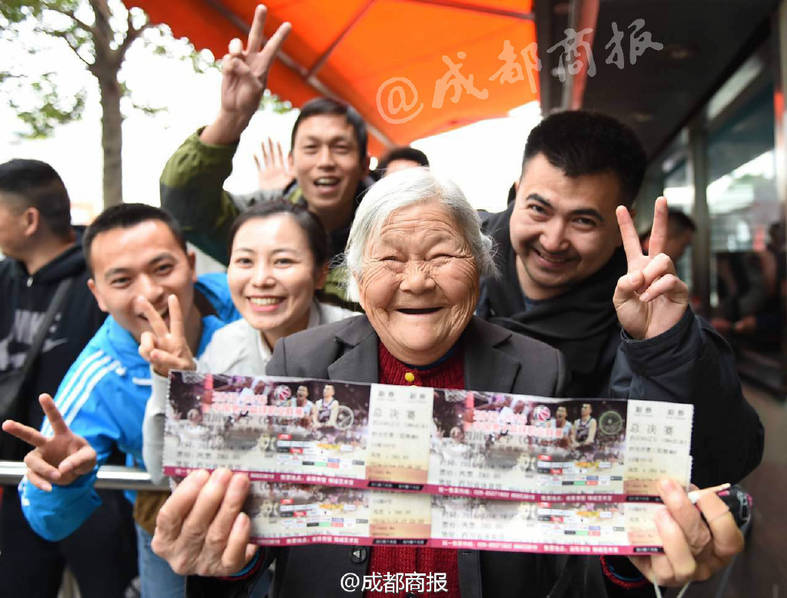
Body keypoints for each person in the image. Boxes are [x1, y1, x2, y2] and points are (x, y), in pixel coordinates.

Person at [149, 168, 744, 598]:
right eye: (389, 260)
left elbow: (570, 556)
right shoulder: (300, 361)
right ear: (354, 276)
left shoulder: (539, 369)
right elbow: (258, 541)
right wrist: (221, 556)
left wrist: (633, 552)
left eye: (441, 255)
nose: (416, 281)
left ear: (480, 267)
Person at [477, 110, 763, 488]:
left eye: (583, 221)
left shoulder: (649, 310)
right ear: (515, 194)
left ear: (619, 227)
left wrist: (664, 349)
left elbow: (729, 457)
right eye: (538, 209)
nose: (553, 240)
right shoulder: (453, 260)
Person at [1, 203, 240, 598]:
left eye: (162, 268)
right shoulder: (99, 376)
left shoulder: (245, 304)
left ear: (191, 264)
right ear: (97, 294)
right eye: (122, 280)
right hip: (170, 524)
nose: (149, 293)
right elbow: (48, 520)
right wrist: (62, 483)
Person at [159, 6, 370, 301]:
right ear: (292, 162)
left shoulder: (388, 225)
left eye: (340, 148)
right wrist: (231, 118)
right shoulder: (261, 215)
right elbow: (185, 206)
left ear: (364, 165)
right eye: (311, 148)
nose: (325, 162)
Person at [139, 200, 356, 485]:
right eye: (245, 261)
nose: (261, 279)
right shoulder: (225, 348)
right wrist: (177, 383)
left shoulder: (359, 341)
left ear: (321, 274)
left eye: (283, 261)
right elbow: (163, 472)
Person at [0, 159, 136, 597]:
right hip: (18, 477)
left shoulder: (99, 286)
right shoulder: (6, 278)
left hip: (96, 482)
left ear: (29, 220)